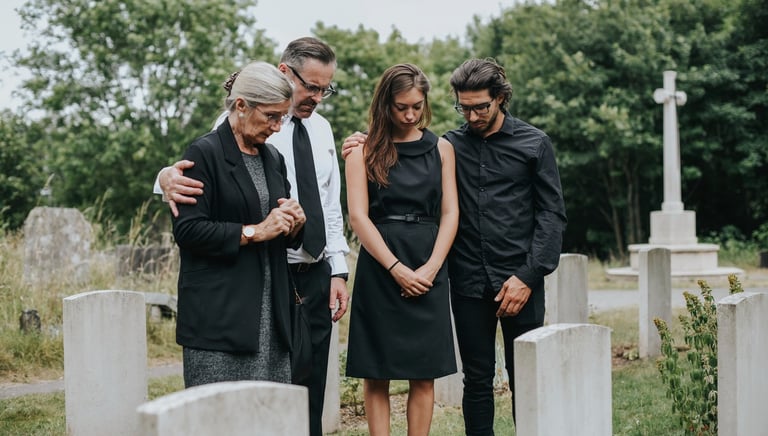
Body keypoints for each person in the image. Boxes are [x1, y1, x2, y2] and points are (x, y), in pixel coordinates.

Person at [342, 58, 567, 435]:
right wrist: (361, 140)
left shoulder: (534, 143)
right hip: (467, 279)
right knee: (476, 380)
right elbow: (400, 159)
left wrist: (527, 275)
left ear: (500, 98)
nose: (473, 115)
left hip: (519, 279)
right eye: (465, 107)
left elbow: (552, 216)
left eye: (481, 106)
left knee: (527, 377)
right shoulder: (450, 143)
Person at [155, 37, 350, 436]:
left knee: (292, 405)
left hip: (288, 290)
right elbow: (190, 213)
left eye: (324, 89)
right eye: (310, 86)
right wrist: (163, 179)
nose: (316, 98)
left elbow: (327, 206)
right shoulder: (216, 141)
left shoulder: (286, 147)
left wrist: (307, 237)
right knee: (225, 415)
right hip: (231, 299)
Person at [172, 61, 305, 388]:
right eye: (271, 116)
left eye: (282, 117)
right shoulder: (204, 154)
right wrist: (254, 231)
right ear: (242, 106)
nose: (276, 127)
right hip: (220, 316)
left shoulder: (274, 159)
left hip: (272, 318)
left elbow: (281, 235)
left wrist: (295, 223)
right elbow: (188, 231)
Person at [344, 63, 459, 435]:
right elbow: (359, 217)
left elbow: (450, 212)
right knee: (376, 373)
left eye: (417, 106)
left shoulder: (442, 148)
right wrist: (395, 268)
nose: (410, 115)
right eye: (401, 107)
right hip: (380, 268)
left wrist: (431, 267)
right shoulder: (360, 152)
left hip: (429, 265)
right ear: (385, 105)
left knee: (423, 373)